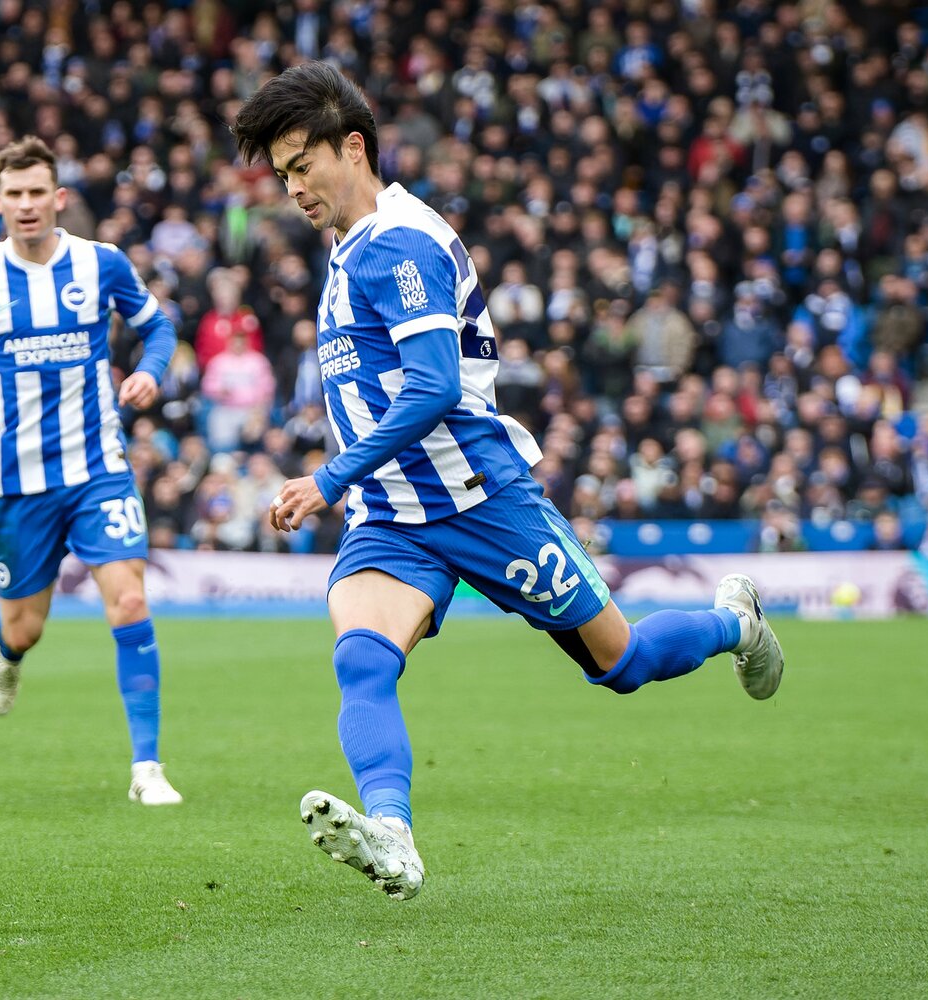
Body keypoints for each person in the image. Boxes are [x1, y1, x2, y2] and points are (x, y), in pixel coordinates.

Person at [232, 62, 785, 901]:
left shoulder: (400, 243)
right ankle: (393, 830)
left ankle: (732, 622)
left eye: (302, 165)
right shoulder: (348, 249)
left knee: (623, 662)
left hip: (484, 500)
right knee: (362, 662)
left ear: (353, 146)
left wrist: (331, 477)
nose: (293, 188)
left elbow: (434, 387)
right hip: (394, 513)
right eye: (281, 176)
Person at [0, 137, 184, 806]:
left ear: (58, 198)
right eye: (16, 194)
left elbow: (160, 328)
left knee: (128, 601)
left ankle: (146, 768)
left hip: (100, 470)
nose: (28, 204)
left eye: (39, 192)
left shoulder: (103, 265)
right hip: (18, 485)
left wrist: (151, 374)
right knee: (24, 628)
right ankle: (6, 658)